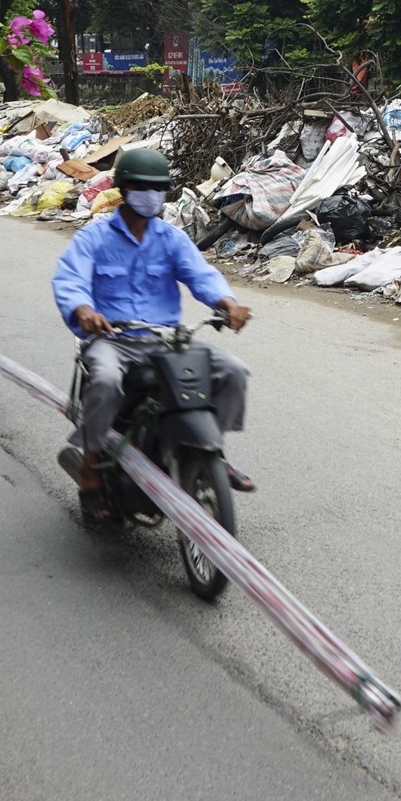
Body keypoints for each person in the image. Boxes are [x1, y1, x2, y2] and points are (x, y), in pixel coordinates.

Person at [50, 147, 257, 521]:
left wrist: (228, 303)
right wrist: (85, 311)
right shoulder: (93, 238)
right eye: (144, 187)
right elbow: (70, 281)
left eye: (159, 188)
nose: (153, 196)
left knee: (234, 371)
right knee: (107, 381)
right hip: (113, 341)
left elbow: (201, 275)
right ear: (124, 189)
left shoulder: (171, 238)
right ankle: (91, 469)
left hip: (165, 340)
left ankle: (213, 452)